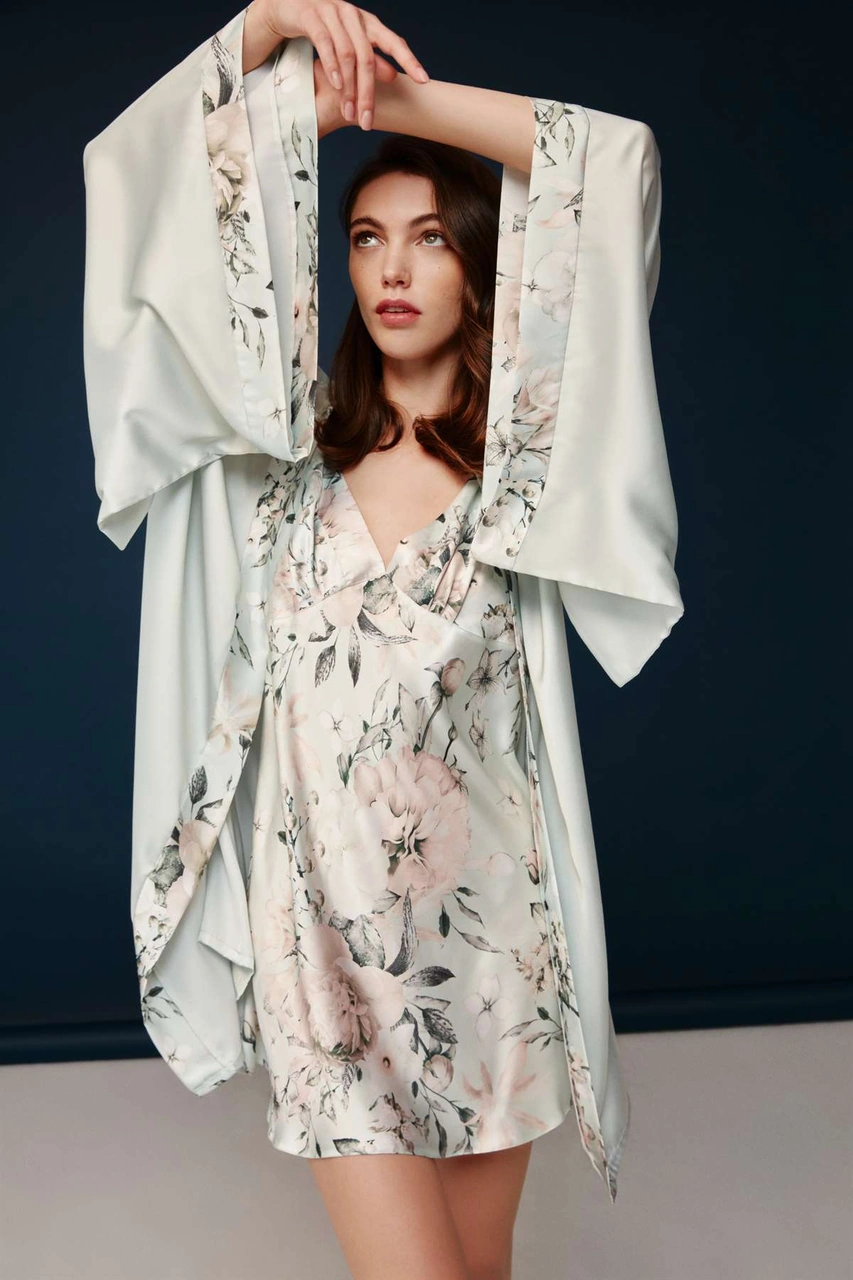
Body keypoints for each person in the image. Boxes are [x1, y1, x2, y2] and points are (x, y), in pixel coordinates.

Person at [82, 1, 684, 1273]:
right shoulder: (271, 461)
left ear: (482, 264)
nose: (394, 270)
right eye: (365, 237)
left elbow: (617, 161)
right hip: (321, 965)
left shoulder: (531, 471)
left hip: (494, 960)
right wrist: (270, 35)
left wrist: (386, 100)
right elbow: (132, 187)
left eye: (429, 238)